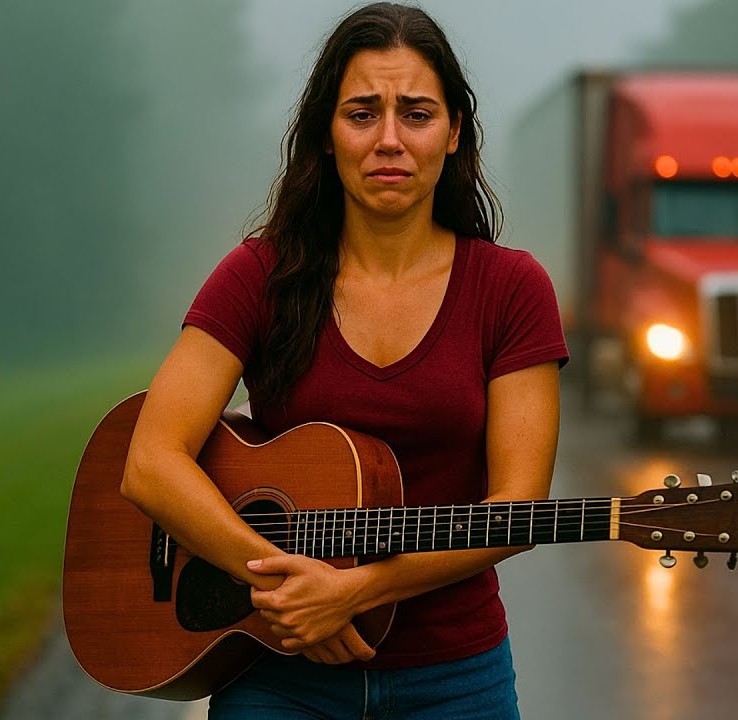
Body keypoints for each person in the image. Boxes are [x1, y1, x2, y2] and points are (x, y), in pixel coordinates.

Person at [119, 3, 568, 717]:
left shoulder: (512, 289)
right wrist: (283, 587)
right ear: (326, 136)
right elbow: (150, 461)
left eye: (416, 114)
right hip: (273, 670)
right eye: (362, 113)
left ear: (454, 133)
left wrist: (354, 593)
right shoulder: (261, 274)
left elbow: (516, 509)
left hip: (455, 677)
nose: (389, 139)